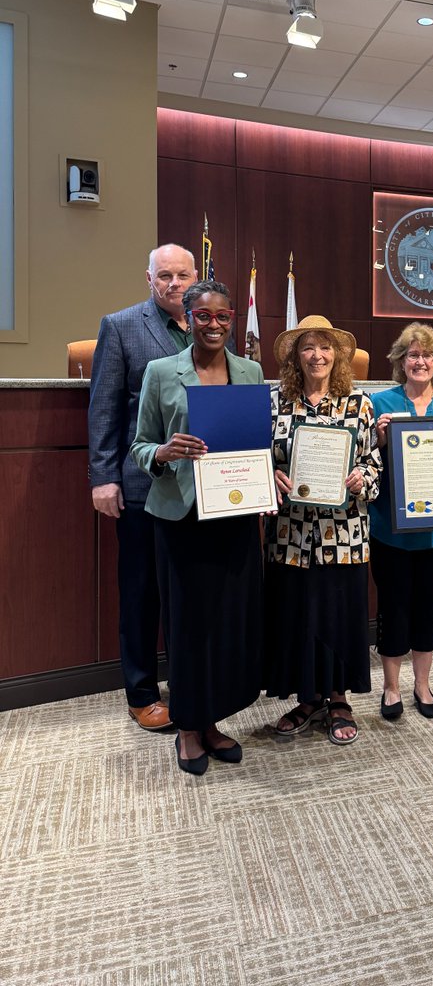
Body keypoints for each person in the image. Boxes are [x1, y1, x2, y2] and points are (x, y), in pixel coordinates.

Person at [130, 280, 265, 775]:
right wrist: (164, 452)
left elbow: (254, 440)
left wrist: (265, 479)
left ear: (233, 319)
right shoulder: (161, 371)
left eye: (222, 317)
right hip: (181, 518)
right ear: (187, 319)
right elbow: (140, 444)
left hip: (234, 515)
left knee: (228, 621)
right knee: (189, 625)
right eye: (203, 317)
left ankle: (212, 720)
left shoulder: (250, 371)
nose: (214, 325)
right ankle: (188, 727)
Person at [88, 243, 198, 731]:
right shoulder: (122, 326)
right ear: (148, 279)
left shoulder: (210, 325)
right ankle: (140, 692)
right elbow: (105, 409)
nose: (175, 284)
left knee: (186, 591)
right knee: (140, 593)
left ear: (196, 278)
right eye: (165, 276)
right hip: (141, 485)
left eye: (182, 276)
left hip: (199, 489)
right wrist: (104, 477)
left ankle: (189, 684)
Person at [265, 315, 381, 745]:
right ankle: (308, 698)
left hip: (344, 533)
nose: (318, 355)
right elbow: (261, 456)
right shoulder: (275, 402)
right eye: (309, 347)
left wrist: (361, 479)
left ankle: (338, 697)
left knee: (337, 614)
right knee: (297, 614)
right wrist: (269, 476)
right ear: (297, 356)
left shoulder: (359, 404)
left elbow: (374, 463)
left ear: (339, 355)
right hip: (290, 534)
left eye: (326, 347)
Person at [370, 323, 433, 721]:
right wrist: (377, 440)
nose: (420, 361)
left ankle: (422, 685)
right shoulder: (379, 404)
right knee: (393, 607)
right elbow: (366, 463)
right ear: (400, 361)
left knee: (428, 607)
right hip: (389, 529)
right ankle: (391, 687)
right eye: (412, 355)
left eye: (427, 355)